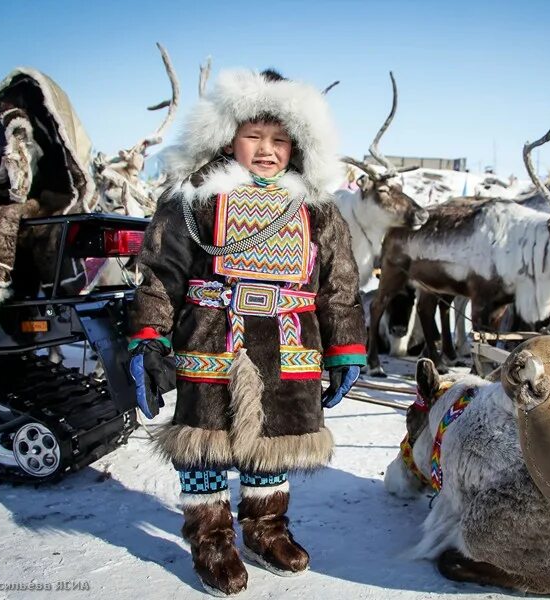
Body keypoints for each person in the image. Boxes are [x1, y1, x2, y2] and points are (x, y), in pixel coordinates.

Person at [128, 67, 366, 596]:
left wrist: (346, 347)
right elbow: (161, 273)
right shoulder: (193, 197)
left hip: (289, 337)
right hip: (213, 331)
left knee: (274, 441)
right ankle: (210, 536)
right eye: (254, 136)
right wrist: (149, 336)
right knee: (207, 440)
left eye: (280, 139)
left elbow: (340, 283)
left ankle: (266, 527)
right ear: (228, 137)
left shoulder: (317, 207)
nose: (266, 149)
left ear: (298, 145)